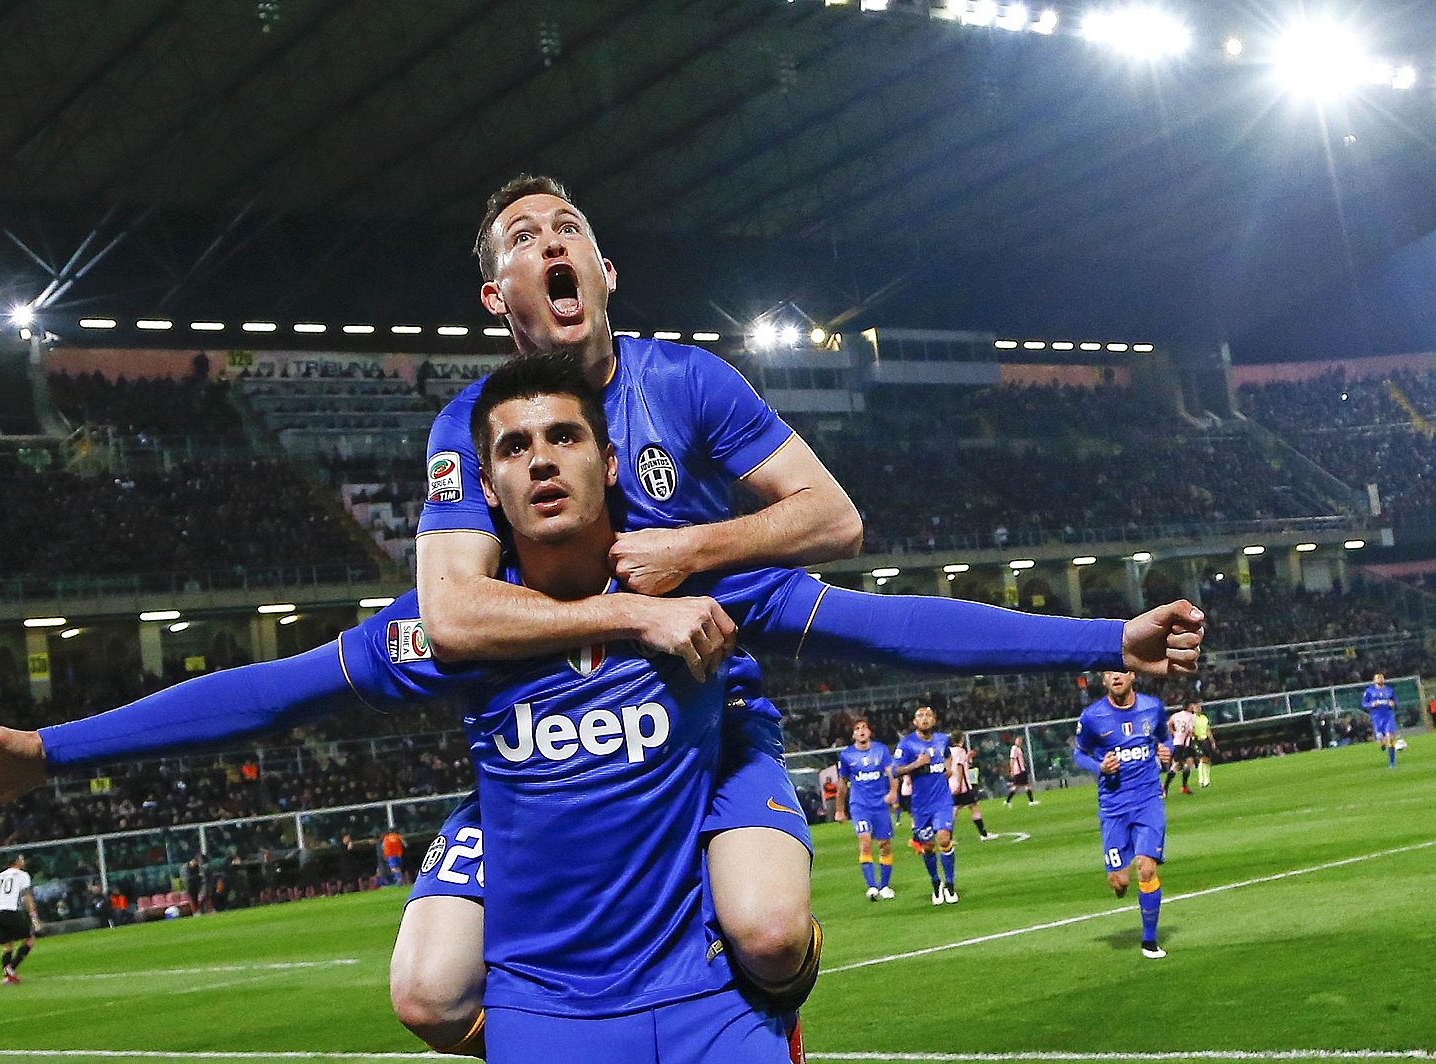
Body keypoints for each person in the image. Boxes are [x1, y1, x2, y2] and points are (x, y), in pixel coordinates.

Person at [0, 355, 1202, 1059]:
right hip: (545, 1020)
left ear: (607, 460)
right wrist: (51, 753)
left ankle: (789, 983)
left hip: (710, 1013)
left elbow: (901, 630)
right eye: (512, 449)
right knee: (422, 993)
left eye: (562, 439)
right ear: (484, 484)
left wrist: (1109, 637)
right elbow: (267, 696)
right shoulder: (457, 636)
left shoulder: (704, 596)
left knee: (768, 934)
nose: (539, 461)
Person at [401, 177, 1201, 1054]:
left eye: (569, 230)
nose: (552, 244)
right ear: (494, 295)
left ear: (605, 269)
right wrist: (631, 610)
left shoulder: (689, 389)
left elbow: (840, 531)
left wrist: (692, 551)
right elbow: (450, 611)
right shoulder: (473, 428)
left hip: (709, 724)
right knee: (429, 992)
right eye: (524, 237)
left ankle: (754, 1019)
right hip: (546, 760)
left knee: (770, 933)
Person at [1073, 670, 1171, 959]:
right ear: (1103, 681)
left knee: (1147, 867)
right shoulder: (1092, 717)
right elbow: (1079, 754)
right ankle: (1118, 882)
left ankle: (1149, 941)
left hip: (1148, 799)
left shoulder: (1152, 707)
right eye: (1109, 674)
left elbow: (1165, 740)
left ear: (1132, 675)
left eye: (1120, 672)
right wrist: (1099, 768)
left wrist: (1167, 752)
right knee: (1120, 881)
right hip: (1113, 806)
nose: (1116, 678)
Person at [895, 706, 959, 905]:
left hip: (942, 799)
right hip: (921, 804)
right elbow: (895, 770)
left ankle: (949, 884)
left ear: (934, 720)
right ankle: (935, 882)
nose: (925, 719)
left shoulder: (942, 739)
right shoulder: (906, 744)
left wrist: (948, 767)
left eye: (929, 715)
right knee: (928, 846)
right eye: (920, 716)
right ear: (914, 722)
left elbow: (948, 755)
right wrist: (916, 764)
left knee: (944, 838)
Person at [834, 719, 898, 900]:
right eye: (857, 729)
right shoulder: (846, 755)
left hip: (880, 804)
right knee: (865, 841)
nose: (861, 731)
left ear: (870, 732)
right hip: (860, 805)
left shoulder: (881, 750)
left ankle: (885, 886)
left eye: (864, 728)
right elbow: (842, 784)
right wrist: (839, 810)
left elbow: (892, 773)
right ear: (853, 735)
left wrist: (893, 792)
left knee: (884, 845)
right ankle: (872, 886)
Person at [0, 855, 40, 984]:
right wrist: (34, 917)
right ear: (16, 862)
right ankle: (11, 968)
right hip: (10, 911)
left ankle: (7, 977)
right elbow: (26, 896)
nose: (23, 861)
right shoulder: (22, 875)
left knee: (7, 947)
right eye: (22, 859)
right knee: (29, 940)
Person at [948, 732, 996, 841]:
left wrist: (968, 757)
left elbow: (963, 766)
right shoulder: (960, 751)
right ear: (961, 739)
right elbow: (960, 768)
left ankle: (948, 838)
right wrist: (960, 786)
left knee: (954, 810)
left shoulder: (949, 751)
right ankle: (984, 834)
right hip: (962, 786)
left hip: (952, 784)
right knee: (973, 807)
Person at [1362, 673, 1399, 768]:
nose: (1380, 679)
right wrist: (1372, 704)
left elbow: (1395, 702)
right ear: (1374, 680)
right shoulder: (1369, 691)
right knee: (1381, 740)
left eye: (1382, 677)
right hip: (1377, 718)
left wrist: (1393, 703)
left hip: (1388, 716)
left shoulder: (1389, 690)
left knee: (1390, 738)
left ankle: (1392, 762)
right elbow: (1364, 704)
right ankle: (1382, 744)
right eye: (1378, 678)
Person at [1165, 703, 1196, 796]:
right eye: (1192, 706)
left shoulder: (1176, 715)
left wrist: (1173, 732)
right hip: (1185, 743)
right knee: (1176, 766)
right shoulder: (1191, 717)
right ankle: (1165, 788)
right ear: (1189, 707)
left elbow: (1169, 723)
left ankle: (1184, 787)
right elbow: (1191, 732)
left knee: (1188, 764)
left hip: (1177, 742)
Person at [1004, 735, 1038, 806]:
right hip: (1019, 771)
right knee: (1026, 785)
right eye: (1018, 740)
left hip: (1021, 770)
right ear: (1015, 741)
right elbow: (1012, 759)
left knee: (1017, 787)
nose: (1019, 742)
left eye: (1020, 741)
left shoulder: (1019, 749)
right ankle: (1031, 801)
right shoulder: (1014, 748)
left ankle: (1007, 801)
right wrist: (1012, 770)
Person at [1190, 701, 1217, 787]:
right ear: (1193, 709)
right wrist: (1193, 738)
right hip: (1197, 741)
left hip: (1205, 740)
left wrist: (1212, 741)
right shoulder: (1192, 718)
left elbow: (1208, 730)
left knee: (1207, 760)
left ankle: (1207, 779)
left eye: (1200, 707)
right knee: (1202, 758)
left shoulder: (1204, 717)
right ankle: (1201, 780)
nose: (1199, 709)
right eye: (1197, 707)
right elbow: (1191, 730)